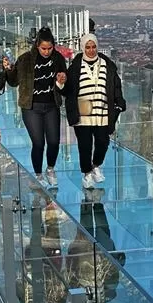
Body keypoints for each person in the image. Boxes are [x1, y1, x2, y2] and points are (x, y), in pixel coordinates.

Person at [3, 27, 67, 188]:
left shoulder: (58, 58)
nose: (46, 52)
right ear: (37, 45)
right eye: (43, 48)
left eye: (49, 48)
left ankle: (50, 169)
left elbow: (64, 83)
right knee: (38, 143)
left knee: (53, 141)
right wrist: (9, 70)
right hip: (31, 106)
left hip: (52, 105)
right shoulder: (25, 59)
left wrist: (61, 80)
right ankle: (38, 174)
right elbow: (13, 82)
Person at [61, 33, 125, 189]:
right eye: (87, 47)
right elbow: (68, 91)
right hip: (83, 112)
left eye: (93, 46)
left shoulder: (107, 65)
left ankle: (96, 165)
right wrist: (60, 83)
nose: (91, 50)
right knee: (85, 145)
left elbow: (116, 86)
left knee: (103, 142)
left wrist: (118, 103)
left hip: (103, 111)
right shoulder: (75, 67)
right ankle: (86, 173)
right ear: (83, 48)